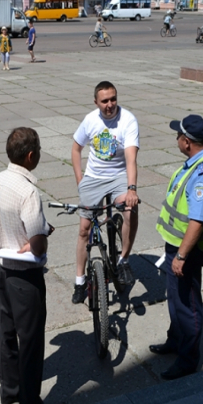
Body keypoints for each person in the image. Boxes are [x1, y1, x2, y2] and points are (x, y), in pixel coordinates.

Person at [0, 127, 62, 404]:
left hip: (1, 269)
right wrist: (41, 232)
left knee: (5, 332)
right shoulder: (29, 191)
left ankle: (10, 389)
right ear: (31, 156)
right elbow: (38, 243)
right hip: (25, 278)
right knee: (30, 342)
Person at [149, 115, 203, 381]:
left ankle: (188, 360)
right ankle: (175, 340)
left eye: (178, 136)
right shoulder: (194, 165)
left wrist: (181, 256)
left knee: (188, 305)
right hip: (176, 248)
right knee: (176, 298)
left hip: (186, 252)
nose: (176, 139)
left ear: (187, 142)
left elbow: (197, 221)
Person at [71, 81, 140, 304]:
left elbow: (131, 158)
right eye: (104, 101)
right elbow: (76, 148)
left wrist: (131, 188)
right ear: (96, 102)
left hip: (119, 176)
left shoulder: (127, 120)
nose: (110, 105)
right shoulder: (90, 120)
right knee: (84, 230)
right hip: (93, 178)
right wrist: (80, 180)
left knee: (130, 209)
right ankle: (80, 281)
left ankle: (123, 261)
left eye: (113, 99)